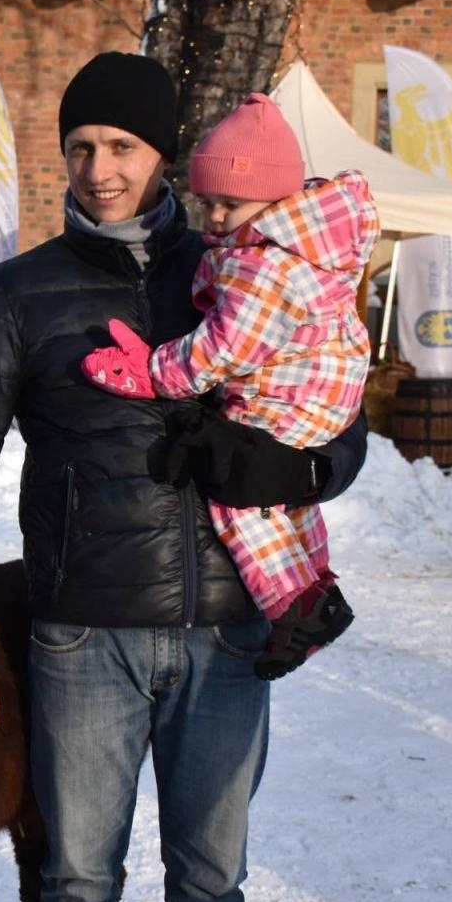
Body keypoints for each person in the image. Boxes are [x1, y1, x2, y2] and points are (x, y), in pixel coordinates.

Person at [0, 53, 368, 902]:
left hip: (229, 633)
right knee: (77, 878)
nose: (98, 167)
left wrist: (300, 472)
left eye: (120, 145)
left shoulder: (250, 263)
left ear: (163, 154)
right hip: (83, 635)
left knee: (210, 877)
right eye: (78, 147)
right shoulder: (21, 295)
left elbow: (340, 414)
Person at [81, 93, 379, 679]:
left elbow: (220, 351)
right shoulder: (297, 252)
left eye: (231, 204)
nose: (215, 217)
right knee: (284, 504)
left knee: (241, 497)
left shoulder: (263, 267)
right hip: (319, 387)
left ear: (277, 200)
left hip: (292, 393)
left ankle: (296, 607)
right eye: (209, 202)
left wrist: (156, 372)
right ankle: (315, 591)